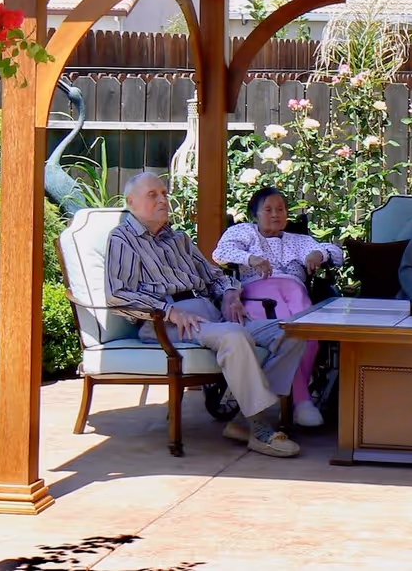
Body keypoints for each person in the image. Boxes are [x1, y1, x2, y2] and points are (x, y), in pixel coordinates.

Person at [105, 172, 305, 458]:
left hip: (209, 315)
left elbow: (214, 276)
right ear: (131, 202)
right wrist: (169, 311)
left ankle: (241, 419)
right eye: (153, 195)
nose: (163, 199)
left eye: (163, 193)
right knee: (235, 336)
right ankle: (260, 428)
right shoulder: (123, 239)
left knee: (293, 331)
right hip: (167, 322)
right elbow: (118, 293)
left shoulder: (178, 239)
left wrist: (230, 295)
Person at [212, 187, 342, 428]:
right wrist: (250, 259)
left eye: (280, 209)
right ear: (255, 214)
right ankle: (301, 401)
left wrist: (318, 254)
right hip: (259, 291)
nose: (275, 214)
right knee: (288, 334)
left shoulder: (298, 240)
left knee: (309, 335)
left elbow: (336, 252)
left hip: (294, 289)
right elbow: (220, 252)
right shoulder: (244, 232)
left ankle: (294, 400)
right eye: (268, 209)